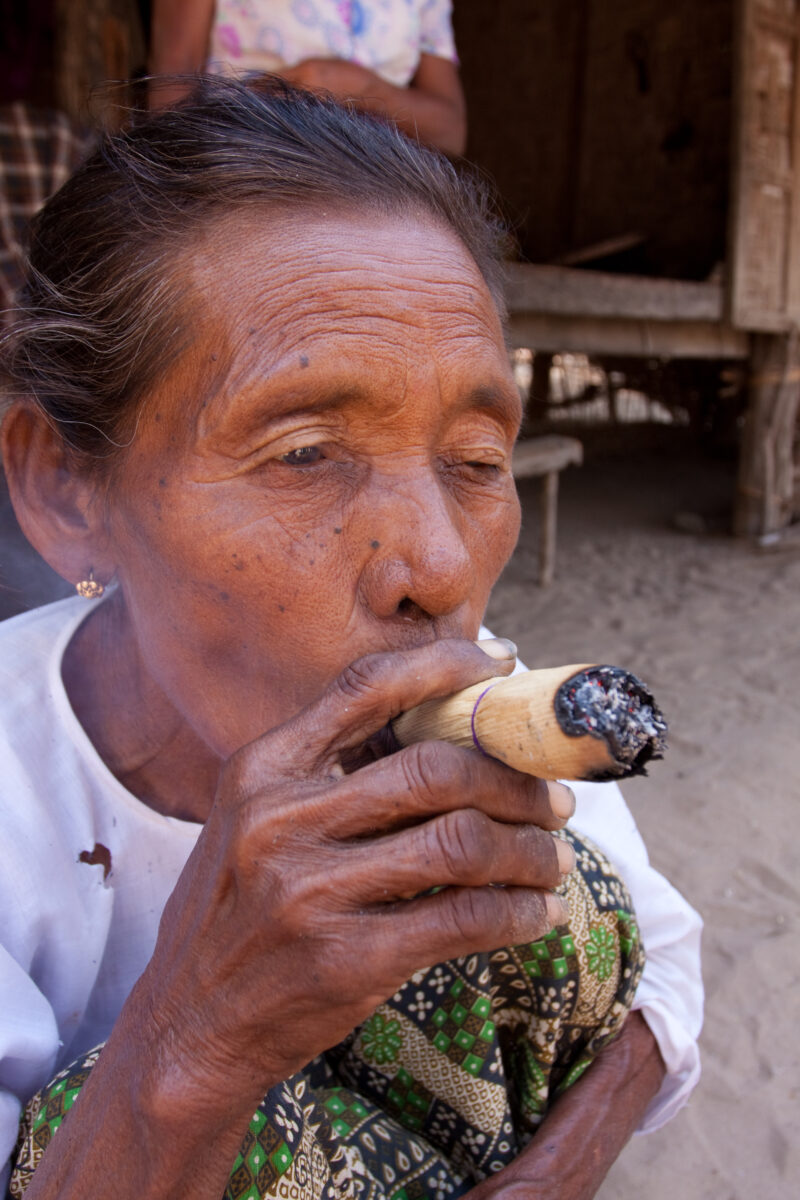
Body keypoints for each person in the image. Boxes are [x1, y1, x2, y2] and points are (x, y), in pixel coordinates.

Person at [0, 77, 701, 1200]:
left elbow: (662, 967)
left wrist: (550, 1177)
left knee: (569, 900)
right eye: (304, 454)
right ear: (67, 487)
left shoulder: (483, 701)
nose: (436, 568)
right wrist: (191, 1051)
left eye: (474, 462)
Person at [148, 0, 467, 154]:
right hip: (245, 157)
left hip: (375, 178)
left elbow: (450, 132)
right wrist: (175, 175)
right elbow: (176, 68)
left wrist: (359, 87)